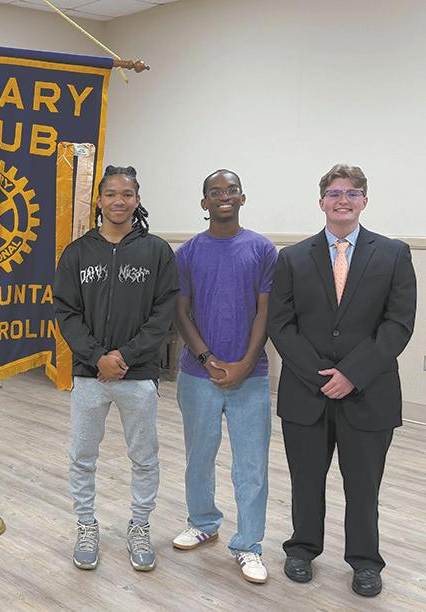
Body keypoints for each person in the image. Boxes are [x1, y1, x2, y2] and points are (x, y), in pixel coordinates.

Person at [268, 164, 416, 597]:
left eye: (352, 193)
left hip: (369, 393)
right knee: (306, 481)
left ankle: (365, 561)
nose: (343, 200)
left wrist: (352, 374)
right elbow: (281, 325)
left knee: (364, 486)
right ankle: (302, 548)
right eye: (334, 193)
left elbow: (398, 324)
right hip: (306, 392)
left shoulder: (393, 254)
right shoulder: (292, 258)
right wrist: (321, 377)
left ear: (364, 201)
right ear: (321, 202)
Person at [53, 165, 178, 572]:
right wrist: (97, 357)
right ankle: (86, 525)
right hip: (89, 376)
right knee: (82, 455)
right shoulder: (77, 253)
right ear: (99, 200)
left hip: (137, 377)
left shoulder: (156, 251)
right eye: (111, 194)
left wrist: (124, 357)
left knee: (144, 456)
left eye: (127, 194)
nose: (119, 201)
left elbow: (163, 313)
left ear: (137, 200)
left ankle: (139, 526)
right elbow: (66, 312)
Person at [171, 169, 277, 584]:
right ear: (204, 203)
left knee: (251, 465)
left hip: (252, 376)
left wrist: (246, 363)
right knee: (199, 457)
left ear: (243, 197)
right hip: (198, 375)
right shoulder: (187, 253)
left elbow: (266, 312)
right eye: (215, 192)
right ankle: (203, 522)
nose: (224, 196)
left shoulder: (263, 250)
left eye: (231, 190)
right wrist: (207, 358)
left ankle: (249, 544)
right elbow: (181, 312)